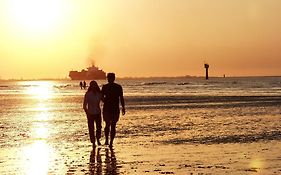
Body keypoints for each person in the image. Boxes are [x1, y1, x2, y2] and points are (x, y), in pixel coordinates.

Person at [101, 73, 125, 147]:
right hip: (114, 108)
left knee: (108, 125)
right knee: (112, 125)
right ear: (114, 78)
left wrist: (105, 100)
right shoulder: (118, 87)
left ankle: (107, 141)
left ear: (108, 78)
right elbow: (121, 98)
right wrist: (123, 107)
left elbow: (101, 97)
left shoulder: (105, 87)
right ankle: (110, 142)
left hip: (108, 108)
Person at [83, 80, 102, 147]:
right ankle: (93, 142)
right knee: (91, 128)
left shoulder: (99, 93)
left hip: (98, 112)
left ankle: (98, 139)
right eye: (92, 85)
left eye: (95, 85)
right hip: (90, 113)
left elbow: (104, 100)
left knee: (99, 127)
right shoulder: (88, 94)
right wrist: (87, 113)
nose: (94, 86)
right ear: (91, 86)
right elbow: (84, 105)